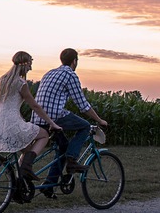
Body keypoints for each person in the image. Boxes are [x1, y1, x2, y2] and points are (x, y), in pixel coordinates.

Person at [0, 51, 62, 198]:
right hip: (13, 125)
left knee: (26, 151)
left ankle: (18, 185)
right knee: (44, 135)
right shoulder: (21, 83)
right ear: (25, 64)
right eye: (30, 65)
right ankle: (26, 168)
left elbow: (8, 107)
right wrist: (52, 123)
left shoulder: (1, 80)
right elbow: (35, 106)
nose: (31, 68)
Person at [31, 48, 108, 196]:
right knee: (85, 126)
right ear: (74, 61)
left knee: (63, 148)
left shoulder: (50, 73)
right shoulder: (70, 75)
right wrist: (99, 120)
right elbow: (83, 105)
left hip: (38, 116)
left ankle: (49, 185)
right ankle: (72, 161)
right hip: (54, 116)